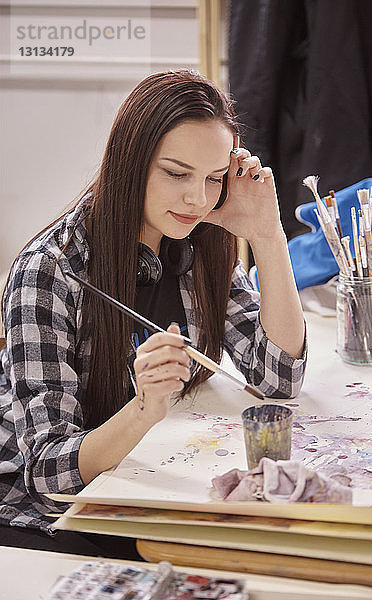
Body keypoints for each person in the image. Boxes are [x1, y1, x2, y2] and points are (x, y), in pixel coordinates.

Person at [0, 69, 306, 557]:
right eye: (176, 173)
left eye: (213, 178)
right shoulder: (49, 271)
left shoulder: (197, 239)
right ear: (130, 162)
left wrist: (268, 235)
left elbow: (278, 378)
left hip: (141, 476)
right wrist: (143, 409)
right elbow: (47, 472)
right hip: (49, 515)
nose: (198, 198)